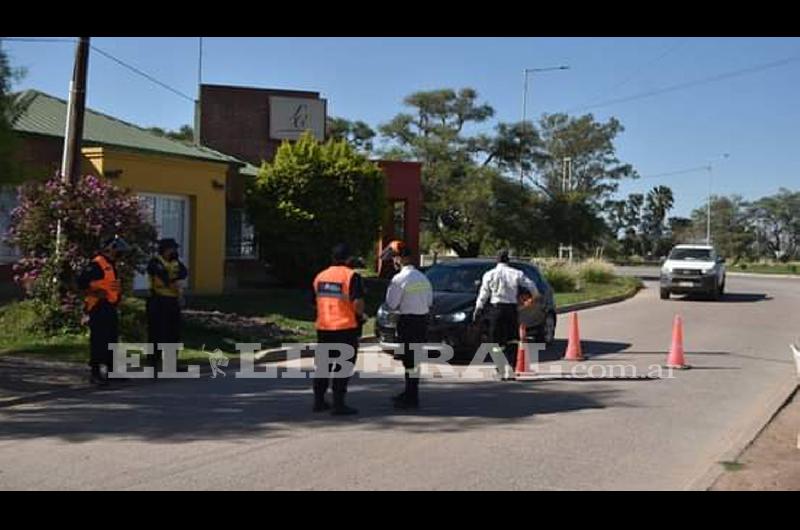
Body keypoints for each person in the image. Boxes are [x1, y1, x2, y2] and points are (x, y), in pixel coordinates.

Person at [311, 243, 365, 416]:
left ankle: (319, 402)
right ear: (349, 259)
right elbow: (357, 302)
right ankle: (339, 404)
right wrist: (362, 315)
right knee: (342, 367)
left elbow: (314, 301)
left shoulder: (320, 276)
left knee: (323, 366)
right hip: (345, 327)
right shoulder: (351, 276)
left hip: (324, 327)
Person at [381, 240, 433, 410]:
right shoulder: (423, 278)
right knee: (414, 361)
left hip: (407, 322)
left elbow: (391, 304)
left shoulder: (399, 278)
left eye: (394, 258)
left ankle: (411, 397)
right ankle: (411, 392)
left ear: (400, 258)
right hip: (421, 322)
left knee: (409, 361)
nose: (393, 262)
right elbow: (429, 301)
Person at [473, 249, 539, 380]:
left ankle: (500, 370)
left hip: (496, 309)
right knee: (512, 339)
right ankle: (512, 369)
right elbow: (530, 284)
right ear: (508, 260)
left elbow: (483, 294)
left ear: (496, 260)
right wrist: (535, 295)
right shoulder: (516, 273)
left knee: (495, 341)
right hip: (511, 309)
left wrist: (478, 309)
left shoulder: (489, 274)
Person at [77, 236, 130, 386]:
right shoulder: (96, 264)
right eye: (117, 250)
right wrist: (95, 293)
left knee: (111, 339)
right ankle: (95, 373)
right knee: (99, 340)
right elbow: (81, 282)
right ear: (109, 249)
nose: (120, 253)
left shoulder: (111, 265)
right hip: (98, 307)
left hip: (110, 306)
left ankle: (112, 371)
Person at [146, 238, 188, 375]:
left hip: (172, 301)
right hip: (158, 301)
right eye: (171, 249)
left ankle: (171, 364)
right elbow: (164, 277)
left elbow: (183, 273)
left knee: (173, 334)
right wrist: (175, 282)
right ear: (164, 249)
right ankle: (153, 364)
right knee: (156, 333)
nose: (174, 251)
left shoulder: (176, 262)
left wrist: (177, 286)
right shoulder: (155, 262)